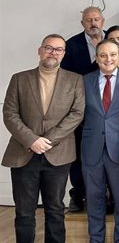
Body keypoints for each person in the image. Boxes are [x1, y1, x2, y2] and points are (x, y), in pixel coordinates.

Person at [2, 34, 85, 243]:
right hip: (24, 153)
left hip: (58, 155)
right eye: (48, 48)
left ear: (64, 54)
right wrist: (31, 140)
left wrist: (47, 140)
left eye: (58, 49)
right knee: (24, 212)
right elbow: (10, 113)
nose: (53, 53)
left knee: (55, 210)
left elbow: (77, 113)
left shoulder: (75, 80)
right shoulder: (19, 79)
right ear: (40, 51)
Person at [82, 39, 119, 243]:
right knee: (94, 198)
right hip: (91, 148)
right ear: (96, 58)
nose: (108, 59)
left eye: (113, 54)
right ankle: (96, 239)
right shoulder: (84, 81)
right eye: (103, 55)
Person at [61, 6, 104, 211]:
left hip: (108, 106)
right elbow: (67, 78)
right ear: (82, 23)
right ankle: (77, 195)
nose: (93, 23)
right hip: (81, 107)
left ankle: (105, 195)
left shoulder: (113, 40)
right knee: (78, 154)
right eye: (88, 20)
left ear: (102, 21)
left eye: (96, 19)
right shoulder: (72, 45)